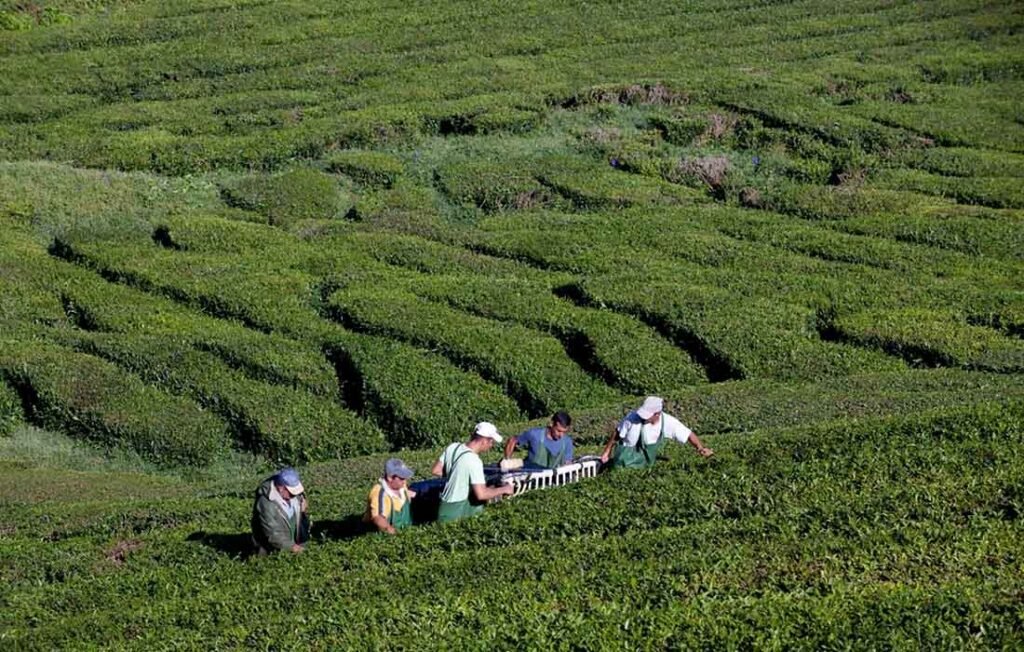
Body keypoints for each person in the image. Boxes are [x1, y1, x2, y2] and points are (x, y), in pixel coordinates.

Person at [430, 422, 514, 523]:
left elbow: (436, 470)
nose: (491, 445)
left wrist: (458, 476)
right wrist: (504, 489)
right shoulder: (474, 461)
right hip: (456, 511)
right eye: (491, 442)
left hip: (444, 507)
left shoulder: (453, 447)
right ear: (484, 441)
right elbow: (481, 494)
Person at [600, 396, 713, 469]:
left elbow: (688, 434)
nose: (643, 417)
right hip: (622, 463)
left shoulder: (668, 422)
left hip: (644, 466)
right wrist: (607, 451)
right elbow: (617, 433)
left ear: (657, 414)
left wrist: (700, 448)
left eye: (647, 415)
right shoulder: (632, 417)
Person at [251, 467, 310, 554]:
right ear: (281, 488)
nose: (295, 496)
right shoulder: (266, 504)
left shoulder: (293, 495)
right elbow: (273, 533)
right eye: (292, 493)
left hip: (292, 545)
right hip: (271, 551)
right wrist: (292, 547)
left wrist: (302, 511)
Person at [503, 411, 574, 469]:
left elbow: (568, 463)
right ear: (552, 424)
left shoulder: (567, 442)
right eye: (559, 431)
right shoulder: (535, 435)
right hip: (530, 475)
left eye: (564, 432)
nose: (561, 435)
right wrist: (507, 461)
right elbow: (512, 440)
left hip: (552, 478)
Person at [364, 458, 418, 534]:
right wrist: (391, 531)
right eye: (401, 478)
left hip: (406, 529)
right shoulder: (379, 492)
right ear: (389, 478)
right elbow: (378, 518)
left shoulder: (401, 486)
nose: (404, 481)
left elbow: (409, 496)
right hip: (382, 534)